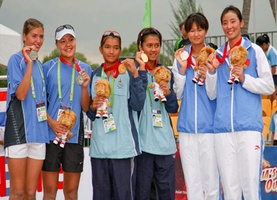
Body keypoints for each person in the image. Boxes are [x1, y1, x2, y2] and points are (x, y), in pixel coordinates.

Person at [205, 5, 274, 200]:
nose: (229, 26)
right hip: (223, 130)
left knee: (250, 187)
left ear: (241, 24)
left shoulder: (255, 52)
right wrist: (211, 72)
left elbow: (269, 86)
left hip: (248, 129)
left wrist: (245, 79)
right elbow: (211, 94)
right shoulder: (218, 55)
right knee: (230, 188)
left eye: (233, 21)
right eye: (225, 23)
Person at [86, 30, 146, 200]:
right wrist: (92, 105)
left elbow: (138, 104)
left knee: (123, 195)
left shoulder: (128, 72)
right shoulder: (94, 75)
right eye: (107, 47)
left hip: (123, 148)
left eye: (115, 48)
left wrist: (135, 74)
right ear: (100, 49)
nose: (111, 51)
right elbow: (90, 114)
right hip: (99, 149)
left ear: (120, 50)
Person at [172, 13, 219, 199]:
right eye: (192, 30)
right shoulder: (181, 57)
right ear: (186, 33)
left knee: (211, 182)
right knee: (192, 183)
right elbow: (177, 94)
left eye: (199, 29)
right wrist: (182, 70)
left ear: (205, 30)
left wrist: (209, 72)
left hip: (209, 129)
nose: (196, 34)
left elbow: (214, 94)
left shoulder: (215, 56)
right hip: (187, 129)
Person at [42, 24, 92, 200]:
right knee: (49, 192)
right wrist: (51, 123)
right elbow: (39, 104)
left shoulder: (85, 69)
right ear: (56, 44)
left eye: (71, 40)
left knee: (71, 193)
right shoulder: (47, 68)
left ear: (75, 41)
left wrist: (85, 87)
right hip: (50, 135)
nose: (67, 44)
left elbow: (86, 108)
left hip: (73, 136)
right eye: (62, 41)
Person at [4, 18, 49, 199]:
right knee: (18, 192)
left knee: (31, 193)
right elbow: (21, 95)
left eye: (41, 36)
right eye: (34, 36)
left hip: (38, 133)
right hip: (18, 133)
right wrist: (29, 63)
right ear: (24, 37)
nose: (37, 40)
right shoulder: (15, 60)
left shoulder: (41, 65)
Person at [135, 27, 178, 200]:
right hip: (143, 144)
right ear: (141, 47)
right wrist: (143, 70)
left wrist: (168, 94)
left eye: (157, 45)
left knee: (166, 193)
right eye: (149, 45)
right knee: (143, 194)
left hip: (165, 144)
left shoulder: (167, 73)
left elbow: (173, 108)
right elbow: (135, 104)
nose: (153, 50)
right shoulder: (135, 73)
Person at [256, 33, 277, 102]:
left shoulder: (271, 53)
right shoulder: (270, 50)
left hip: (276, 76)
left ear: (264, 44)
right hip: (275, 76)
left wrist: (267, 78)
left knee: (275, 96)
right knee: (271, 95)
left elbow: (274, 69)